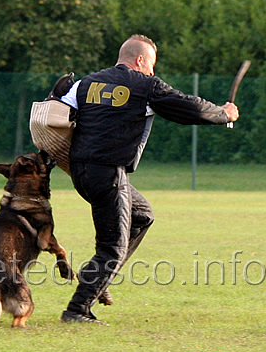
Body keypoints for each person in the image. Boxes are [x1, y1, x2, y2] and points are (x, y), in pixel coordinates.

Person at [58, 34, 239, 325]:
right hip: (108, 173)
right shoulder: (145, 86)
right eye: (151, 64)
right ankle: (77, 309)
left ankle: (98, 280)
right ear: (140, 60)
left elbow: (54, 113)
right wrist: (224, 113)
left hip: (80, 171)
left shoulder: (86, 83)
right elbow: (189, 107)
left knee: (141, 215)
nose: (153, 71)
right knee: (112, 247)